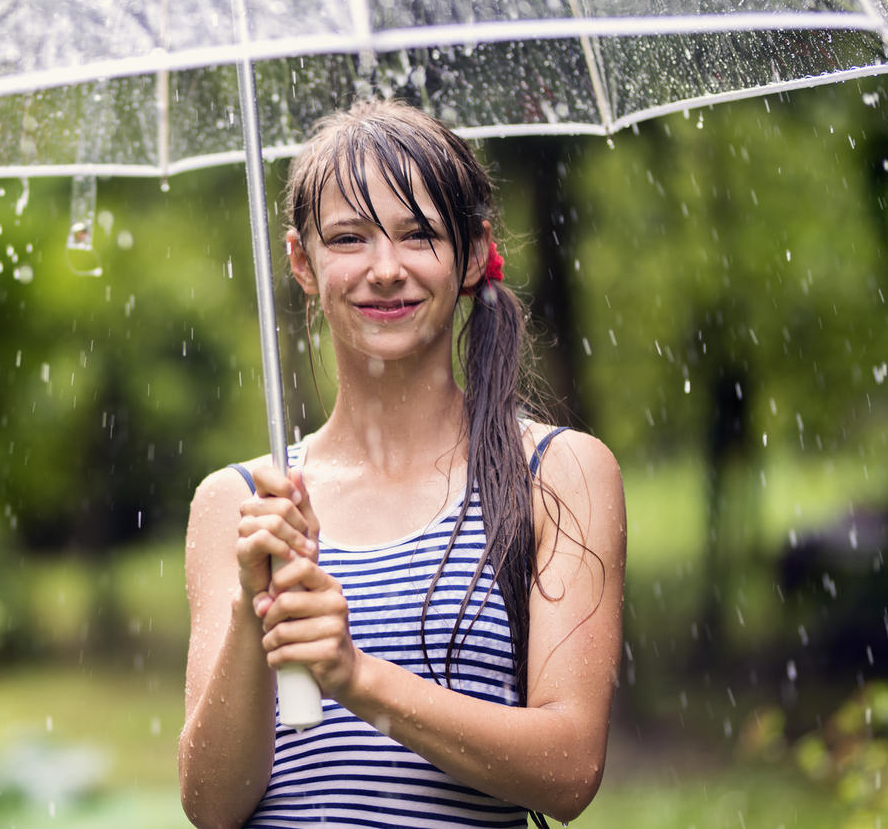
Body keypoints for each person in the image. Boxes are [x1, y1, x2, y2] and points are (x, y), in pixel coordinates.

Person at [177, 100, 625, 829]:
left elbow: (570, 769)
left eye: (418, 235)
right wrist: (249, 612)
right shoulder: (241, 503)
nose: (385, 270)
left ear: (475, 251)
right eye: (348, 238)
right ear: (301, 261)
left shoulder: (556, 474)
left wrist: (356, 677)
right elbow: (210, 806)